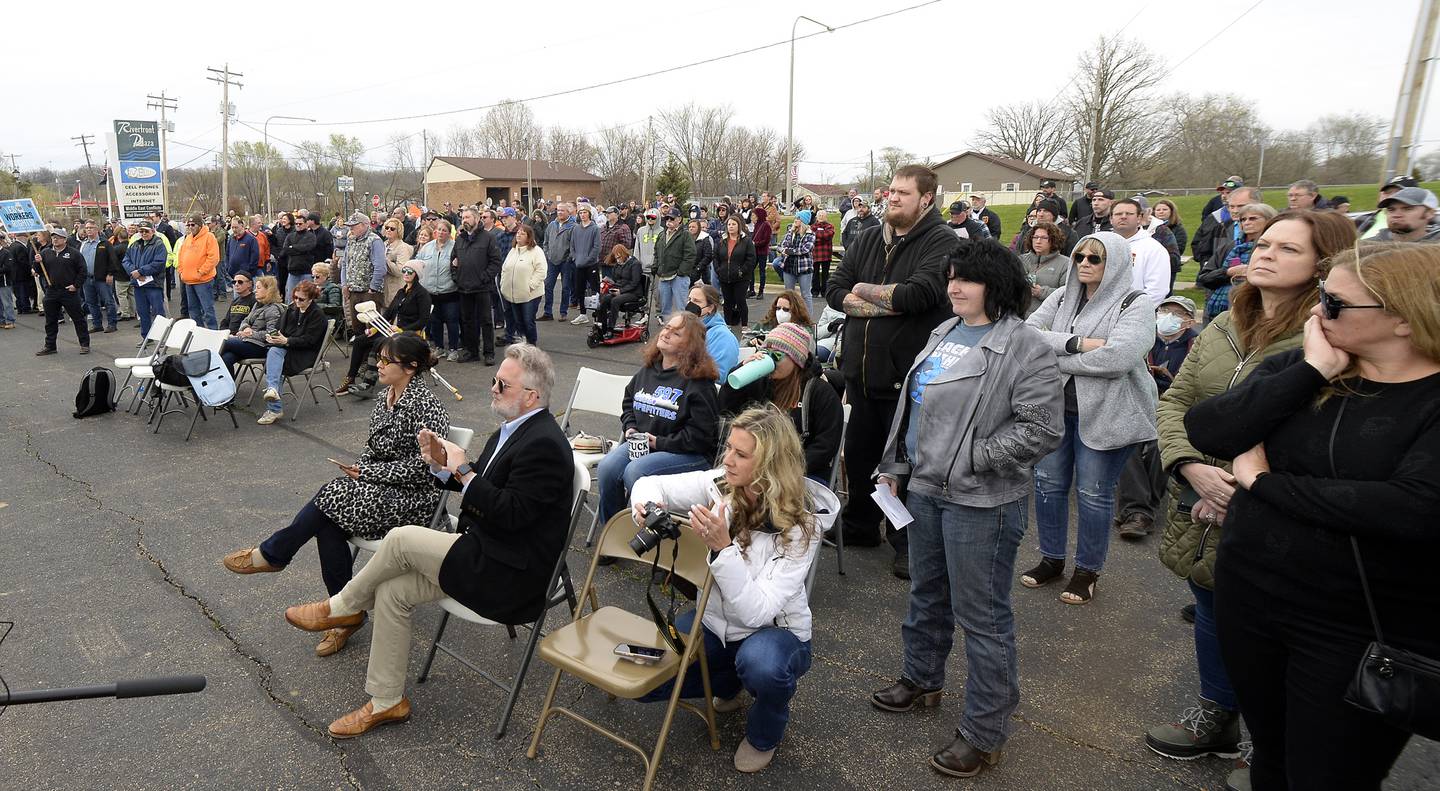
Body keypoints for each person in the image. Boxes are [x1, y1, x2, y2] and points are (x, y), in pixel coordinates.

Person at [1186, 243, 1440, 791]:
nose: (1314, 312)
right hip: (1253, 598)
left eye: (1334, 303)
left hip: (1359, 626)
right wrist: (1308, 371)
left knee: (1328, 775)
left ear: (1403, 318)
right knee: (1270, 758)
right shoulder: (1306, 368)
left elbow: (1413, 508)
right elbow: (1209, 430)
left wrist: (1264, 482)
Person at [1143, 211, 1356, 784]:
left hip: (1266, 508)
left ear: (1325, 266)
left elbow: (1314, 436)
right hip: (1199, 496)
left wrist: (1238, 486)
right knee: (1212, 609)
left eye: (1287, 249)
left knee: (1276, 630)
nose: (1265, 254)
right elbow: (1175, 401)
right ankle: (1218, 714)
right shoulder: (1224, 322)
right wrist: (1189, 467)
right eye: (1263, 244)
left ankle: (1272, 743)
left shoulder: (1329, 337)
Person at [280, 344, 574, 738]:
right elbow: (479, 491)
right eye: (493, 380)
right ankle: (387, 702)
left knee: (400, 540)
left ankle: (341, 607)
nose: (492, 388)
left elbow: (510, 514)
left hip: (509, 576)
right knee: (393, 592)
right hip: (480, 554)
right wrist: (440, 467)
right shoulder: (514, 429)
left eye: (502, 384)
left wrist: (464, 470)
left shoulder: (546, 445)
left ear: (531, 396)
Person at [870, 240, 1063, 779]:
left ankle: (985, 731)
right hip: (926, 490)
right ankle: (922, 679)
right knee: (926, 591)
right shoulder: (946, 331)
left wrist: (976, 457)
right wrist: (897, 464)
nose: (954, 287)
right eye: (952, 277)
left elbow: (1043, 427)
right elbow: (916, 404)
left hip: (982, 501)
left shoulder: (1026, 346)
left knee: (983, 616)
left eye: (967, 280)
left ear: (995, 285)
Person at [628, 407, 838, 773]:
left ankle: (764, 732)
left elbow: (756, 613)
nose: (727, 459)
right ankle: (728, 681)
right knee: (647, 685)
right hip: (716, 624)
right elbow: (652, 481)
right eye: (728, 448)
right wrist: (647, 505)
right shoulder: (722, 482)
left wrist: (723, 549)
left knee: (762, 666)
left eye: (741, 454)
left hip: (775, 633)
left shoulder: (802, 527)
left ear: (771, 464)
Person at [225, 333, 450, 655]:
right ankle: (344, 613)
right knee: (329, 519)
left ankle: (277, 556)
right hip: (380, 490)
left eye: (387, 360)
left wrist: (368, 474)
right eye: (379, 357)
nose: (379, 364)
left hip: (415, 499)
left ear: (411, 367)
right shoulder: (385, 398)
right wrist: (361, 469)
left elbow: (427, 468)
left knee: (331, 498)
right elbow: (373, 450)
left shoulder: (427, 406)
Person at [823, 165, 960, 578]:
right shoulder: (867, 238)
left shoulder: (941, 240)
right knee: (862, 454)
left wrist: (861, 291)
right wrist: (884, 299)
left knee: (903, 465)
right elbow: (833, 289)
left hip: (909, 378)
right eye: (891, 192)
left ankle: (907, 542)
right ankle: (861, 525)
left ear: (926, 199)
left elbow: (920, 295)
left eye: (903, 193)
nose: (893, 198)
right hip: (861, 373)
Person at [1021, 232, 1157, 604]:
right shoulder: (1063, 295)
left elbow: (1118, 359)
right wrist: (1077, 344)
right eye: (1080, 255)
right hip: (1057, 411)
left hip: (1108, 415)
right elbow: (1027, 335)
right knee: (1048, 486)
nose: (1084, 263)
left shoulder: (1135, 304)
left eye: (1094, 259)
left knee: (1093, 495)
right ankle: (1051, 559)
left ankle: (1087, 570)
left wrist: (1056, 354)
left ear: (1112, 263)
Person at [595, 311, 720, 524]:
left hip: (689, 453)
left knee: (637, 471)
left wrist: (660, 442)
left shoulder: (699, 383)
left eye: (677, 333)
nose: (666, 333)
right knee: (607, 468)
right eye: (667, 328)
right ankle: (613, 530)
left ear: (691, 345)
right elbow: (628, 402)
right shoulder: (648, 371)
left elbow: (701, 437)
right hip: (647, 445)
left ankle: (651, 529)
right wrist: (631, 427)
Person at [1112, 295, 1198, 540]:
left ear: (1189, 322)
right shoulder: (1144, 339)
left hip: (1176, 405)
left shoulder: (1195, 345)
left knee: (1162, 445)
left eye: (1177, 314)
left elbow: (1194, 388)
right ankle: (1140, 510)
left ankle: (1138, 511)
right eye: (1164, 310)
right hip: (1140, 400)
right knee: (1128, 442)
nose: (1168, 317)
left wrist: (1169, 378)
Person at [720, 323, 843, 482]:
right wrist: (739, 371)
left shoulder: (820, 392)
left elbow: (825, 447)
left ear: (797, 359)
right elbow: (725, 409)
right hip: (755, 468)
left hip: (801, 473)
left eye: (777, 355)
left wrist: (783, 469)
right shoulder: (759, 382)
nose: (770, 359)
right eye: (766, 352)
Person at [338, 266, 431, 396]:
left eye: (410, 272)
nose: (406, 274)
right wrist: (374, 328)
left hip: (408, 334)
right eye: (404, 270)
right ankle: (350, 377)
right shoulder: (401, 292)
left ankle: (368, 384)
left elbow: (423, 321)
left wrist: (402, 329)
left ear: (417, 274)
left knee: (378, 343)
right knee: (360, 341)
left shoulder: (422, 294)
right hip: (390, 331)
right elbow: (387, 315)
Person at [255, 281, 328, 425]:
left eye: (301, 299)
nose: (297, 301)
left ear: (311, 298)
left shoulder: (317, 314)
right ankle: (272, 391)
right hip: (288, 349)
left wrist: (286, 340)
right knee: (274, 351)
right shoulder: (291, 309)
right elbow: (279, 329)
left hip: (306, 354)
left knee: (276, 362)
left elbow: (310, 341)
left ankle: (274, 406)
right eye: (295, 297)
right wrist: (273, 337)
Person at [1198, 203, 1278, 321]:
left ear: (1269, 220)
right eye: (1243, 219)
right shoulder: (1228, 247)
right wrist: (1228, 272)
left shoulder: (1274, 249)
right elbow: (1204, 278)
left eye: (1253, 218)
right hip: (1219, 311)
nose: (1246, 222)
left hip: (1258, 311)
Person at [452, 207, 502, 365]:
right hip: (464, 287)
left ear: (476, 219)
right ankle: (472, 351)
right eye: (462, 218)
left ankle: (489, 353)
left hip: (482, 287)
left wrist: (484, 277)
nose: (464, 220)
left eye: (467, 217)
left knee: (486, 321)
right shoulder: (460, 239)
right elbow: (453, 262)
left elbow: (495, 262)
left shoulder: (488, 238)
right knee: (467, 321)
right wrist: (457, 278)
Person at [32, 227, 90, 356]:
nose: (55, 239)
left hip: (68, 291)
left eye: (58, 237)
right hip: (51, 291)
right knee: (50, 321)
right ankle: (50, 346)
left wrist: (76, 285)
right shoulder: (46, 252)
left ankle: (84, 344)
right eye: (53, 237)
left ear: (64, 239)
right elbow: (38, 271)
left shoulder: (74, 253)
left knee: (78, 319)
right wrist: (37, 262)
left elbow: (82, 271)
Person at [219, 275, 287, 373]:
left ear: (269, 290)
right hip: (247, 341)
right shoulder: (257, 304)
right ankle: (228, 387)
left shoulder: (273, 309)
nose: (255, 291)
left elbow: (272, 334)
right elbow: (245, 320)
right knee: (226, 358)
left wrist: (251, 334)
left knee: (223, 342)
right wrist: (246, 328)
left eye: (258, 288)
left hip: (261, 346)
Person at [339, 211, 388, 344]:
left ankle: (372, 360)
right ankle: (361, 359)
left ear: (364, 225)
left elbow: (380, 267)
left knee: (373, 329)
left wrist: (372, 288)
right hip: (353, 291)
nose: (351, 228)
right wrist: (344, 284)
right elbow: (344, 263)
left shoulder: (375, 241)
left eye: (353, 226)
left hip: (369, 292)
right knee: (357, 328)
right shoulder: (351, 240)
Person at [1109, 199, 1170, 303]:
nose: (1123, 216)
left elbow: (1157, 291)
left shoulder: (1153, 249)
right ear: (1111, 219)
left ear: (1139, 218)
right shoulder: (1102, 244)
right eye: (1118, 214)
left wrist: (1132, 312)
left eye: (1129, 214)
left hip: (1133, 314)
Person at [416, 219, 460, 359]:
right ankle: (439, 347)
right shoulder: (427, 247)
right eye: (439, 230)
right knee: (435, 321)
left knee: (452, 321)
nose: (441, 233)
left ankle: (453, 348)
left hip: (449, 291)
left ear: (449, 233)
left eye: (444, 230)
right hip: (430, 292)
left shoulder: (455, 247)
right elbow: (418, 263)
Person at [499, 223, 547, 346]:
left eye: (522, 233)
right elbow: (505, 268)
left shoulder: (536, 251)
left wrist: (530, 285)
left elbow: (541, 271)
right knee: (518, 321)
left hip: (530, 295)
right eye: (518, 233)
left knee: (528, 320)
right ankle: (522, 342)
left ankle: (532, 344)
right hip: (513, 294)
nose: (519, 235)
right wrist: (503, 283)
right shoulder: (513, 250)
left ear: (529, 236)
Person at [176, 213, 220, 330]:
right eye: (188, 225)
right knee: (193, 311)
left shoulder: (209, 237)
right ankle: (198, 334)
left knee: (207, 310)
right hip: (188, 281)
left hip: (203, 281)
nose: (190, 227)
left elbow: (213, 258)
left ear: (200, 225)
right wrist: (181, 271)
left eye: (193, 225)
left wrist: (201, 272)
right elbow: (180, 256)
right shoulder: (188, 238)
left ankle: (213, 334)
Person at [686, 283, 739, 379]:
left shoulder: (723, 337)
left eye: (696, 301)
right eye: (689, 300)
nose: (690, 304)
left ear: (710, 308)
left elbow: (720, 375)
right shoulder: (685, 328)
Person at [1018, 221, 1069, 318]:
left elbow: (1068, 294)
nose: (1038, 241)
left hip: (1046, 320)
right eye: (1035, 237)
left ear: (1054, 240)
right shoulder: (1021, 260)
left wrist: (1042, 292)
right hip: (1019, 318)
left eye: (1044, 238)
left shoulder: (1065, 264)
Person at [77, 219, 120, 334]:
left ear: (97, 229)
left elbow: (113, 260)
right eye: (87, 228)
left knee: (108, 301)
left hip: (102, 278)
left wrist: (110, 274)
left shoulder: (104, 243)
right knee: (91, 302)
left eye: (91, 227)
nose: (89, 230)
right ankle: (97, 324)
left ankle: (112, 324)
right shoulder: (83, 244)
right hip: (87, 278)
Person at [653, 209, 697, 320]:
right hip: (664, 275)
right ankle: (668, 330)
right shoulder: (661, 235)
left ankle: (684, 331)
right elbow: (656, 253)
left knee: (681, 307)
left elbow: (690, 255)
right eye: (667, 218)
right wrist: (656, 267)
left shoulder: (685, 235)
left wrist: (681, 272)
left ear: (679, 219)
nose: (669, 221)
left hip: (679, 277)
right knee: (665, 308)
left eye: (672, 218)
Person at [713, 216, 756, 326]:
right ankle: (727, 324)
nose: (731, 227)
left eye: (733, 224)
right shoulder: (722, 241)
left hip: (741, 278)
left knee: (740, 300)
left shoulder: (746, 241)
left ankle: (745, 325)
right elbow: (716, 257)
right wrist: (719, 270)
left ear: (739, 226)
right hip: (724, 276)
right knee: (727, 302)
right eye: (729, 225)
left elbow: (751, 259)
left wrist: (742, 271)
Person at [775, 211, 817, 317]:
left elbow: (805, 249)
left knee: (806, 294)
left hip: (804, 268)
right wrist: (784, 249)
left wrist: (788, 251)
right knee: (789, 294)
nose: (795, 220)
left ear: (803, 221)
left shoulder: (810, 234)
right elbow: (781, 245)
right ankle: (789, 317)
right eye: (795, 218)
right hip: (789, 267)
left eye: (798, 218)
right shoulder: (791, 232)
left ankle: (809, 319)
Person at [540, 202, 576, 322]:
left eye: (562, 210)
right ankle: (547, 312)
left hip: (566, 262)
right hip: (551, 261)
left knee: (565, 288)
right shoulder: (551, 225)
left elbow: (574, 246)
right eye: (558, 210)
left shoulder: (573, 226)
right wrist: (547, 254)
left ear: (568, 212)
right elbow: (545, 242)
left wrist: (568, 258)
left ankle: (563, 312)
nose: (560, 212)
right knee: (548, 286)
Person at [569, 205, 602, 325]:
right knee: (579, 290)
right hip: (578, 264)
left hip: (591, 264)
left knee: (594, 291)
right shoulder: (576, 228)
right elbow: (572, 245)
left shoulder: (595, 229)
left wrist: (588, 259)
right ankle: (583, 314)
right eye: (580, 212)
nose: (582, 215)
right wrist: (575, 258)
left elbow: (597, 247)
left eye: (585, 212)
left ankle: (597, 315)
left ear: (589, 214)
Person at [1372, 186, 1440, 242]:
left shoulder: (1436, 247)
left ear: (1429, 213)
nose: (1396, 215)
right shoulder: (1368, 248)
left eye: (1407, 209)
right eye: (1391, 210)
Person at [380, 218, 414, 306]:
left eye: (392, 229)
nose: (388, 230)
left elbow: (400, 271)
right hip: (382, 291)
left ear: (398, 231)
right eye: (387, 227)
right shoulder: (383, 244)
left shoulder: (403, 248)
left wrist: (385, 260)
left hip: (396, 290)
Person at [810, 209, 836, 299]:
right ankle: (815, 291)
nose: (821, 216)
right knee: (815, 273)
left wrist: (817, 234)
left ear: (826, 217)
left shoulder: (830, 226)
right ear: (816, 217)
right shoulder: (812, 226)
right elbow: (811, 238)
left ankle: (825, 291)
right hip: (815, 253)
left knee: (825, 274)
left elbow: (828, 236)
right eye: (819, 215)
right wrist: (821, 236)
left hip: (826, 253)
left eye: (823, 215)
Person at [750, 208, 773, 299]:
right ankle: (751, 289)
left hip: (762, 251)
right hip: (755, 251)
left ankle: (761, 291)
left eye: (754, 216)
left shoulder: (766, 225)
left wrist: (755, 243)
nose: (752, 218)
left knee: (762, 271)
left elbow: (766, 240)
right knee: (750, 269)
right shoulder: (757, 225)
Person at [687, 218, 715, 289]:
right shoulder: (687, 239)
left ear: (698, 228)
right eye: (689, 227)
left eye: (693, 227)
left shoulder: (705, 239)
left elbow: (708, 256)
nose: (691, 229)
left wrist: (698, 268)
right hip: (688, 271)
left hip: (702, 273)